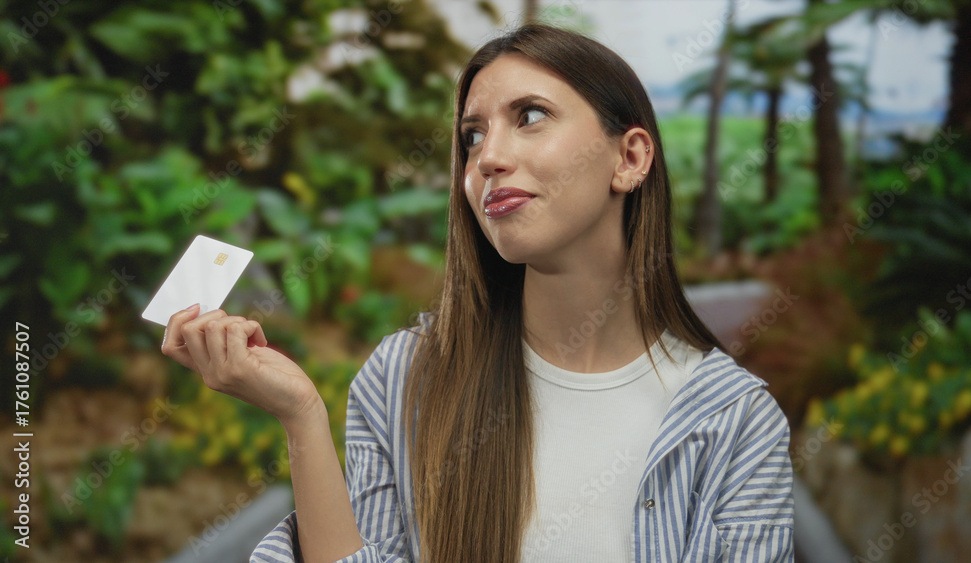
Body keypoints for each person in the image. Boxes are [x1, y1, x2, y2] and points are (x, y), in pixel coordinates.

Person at [161, 23, 793, 563]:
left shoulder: (736, 423)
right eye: (472, 136)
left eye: (531, 117)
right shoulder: (402, 378)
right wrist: (301, 415)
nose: (488, 157)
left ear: (629, 157)